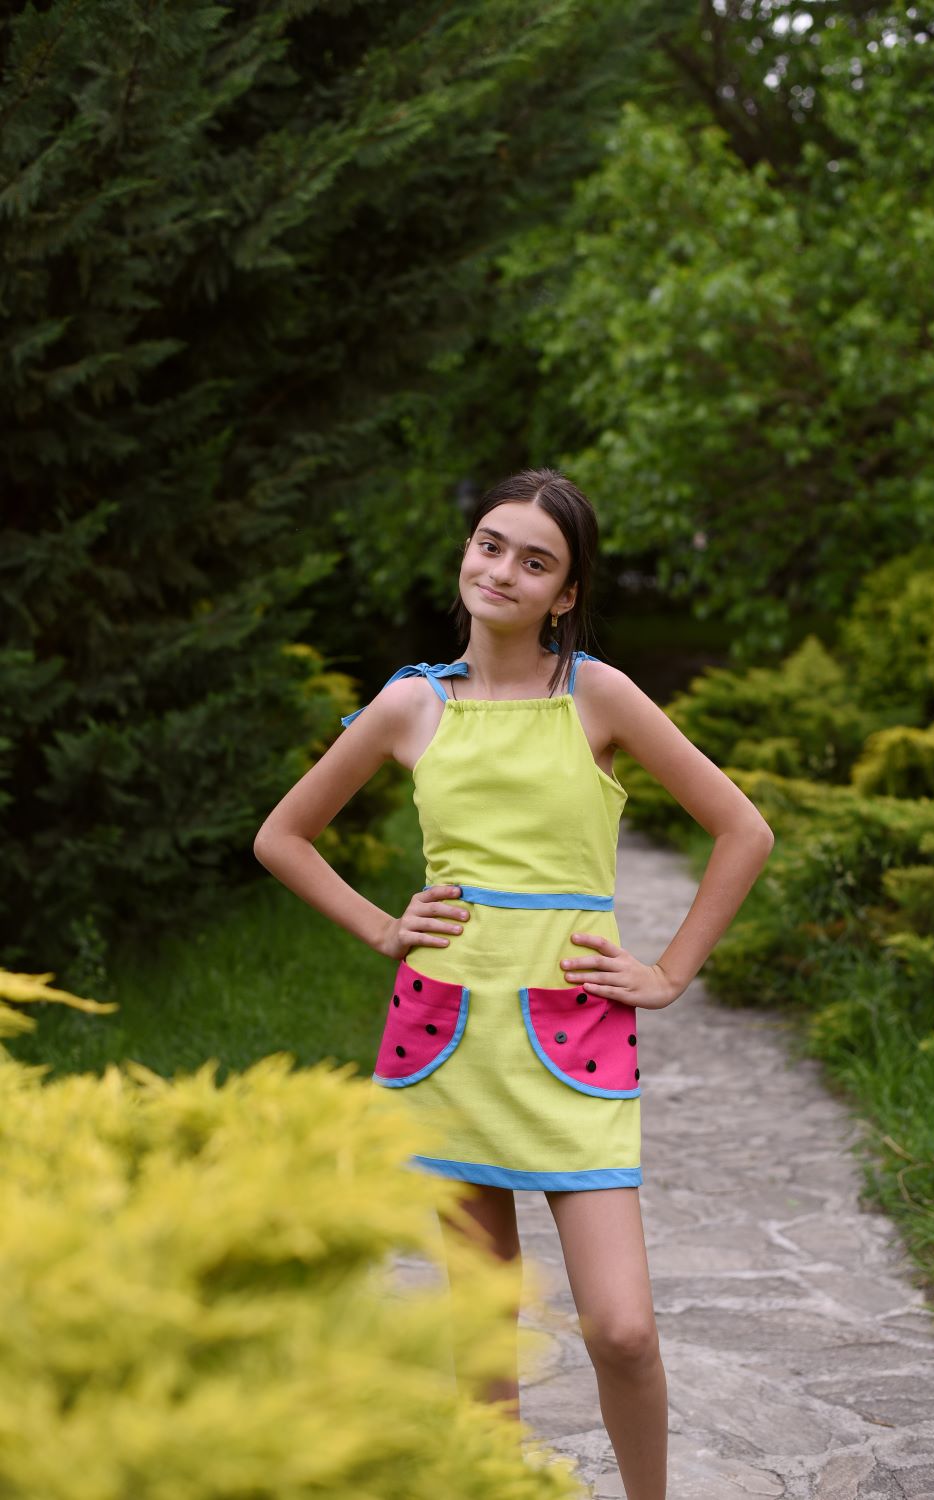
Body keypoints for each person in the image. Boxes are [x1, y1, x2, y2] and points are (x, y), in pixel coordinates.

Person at [253, 467, 775, 1500]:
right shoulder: (412, 702)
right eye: (490, 544)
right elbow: (282, 836)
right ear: (467, 552)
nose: (501, 569)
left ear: (564, 593)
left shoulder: (596, 693)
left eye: (534, 560)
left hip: (575, 1040)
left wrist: (668, 971)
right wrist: (382, 926)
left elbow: (741, 829)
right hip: (447, 1037)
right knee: (481, 1335)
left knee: (620, 1329)